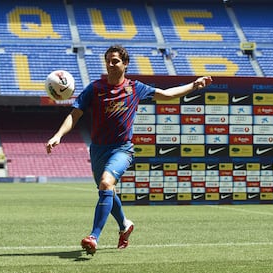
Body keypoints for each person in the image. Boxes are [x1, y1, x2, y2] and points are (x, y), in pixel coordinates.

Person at [46, 45, 212, 255]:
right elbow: (75, 114)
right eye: (107, 60)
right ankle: (125, 224)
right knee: (106, 190)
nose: (110, 64)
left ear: (125, 64)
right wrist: (58, 135)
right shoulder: (94, 88)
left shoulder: (135, 88)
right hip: (97, 150)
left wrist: (194, 85)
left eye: (114, 60)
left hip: (122, 149)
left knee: (106, 183)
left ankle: (93, 237)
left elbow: (167, 94)